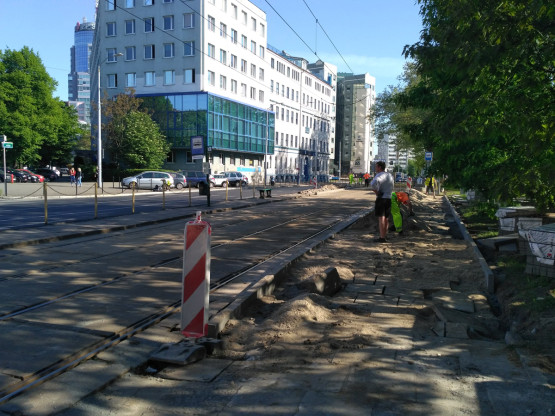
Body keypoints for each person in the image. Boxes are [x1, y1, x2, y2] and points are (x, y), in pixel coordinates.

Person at [370, 161, 394, 243]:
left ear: (379, 167)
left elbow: (373, 184)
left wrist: (376, 192)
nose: (375, 168)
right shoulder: (389, 175)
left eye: (376, 166)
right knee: (386, 218)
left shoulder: (380, 175)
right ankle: (385, 235)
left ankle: (382, 237)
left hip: (381, 198)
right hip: (389, 198)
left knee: (381, 218)